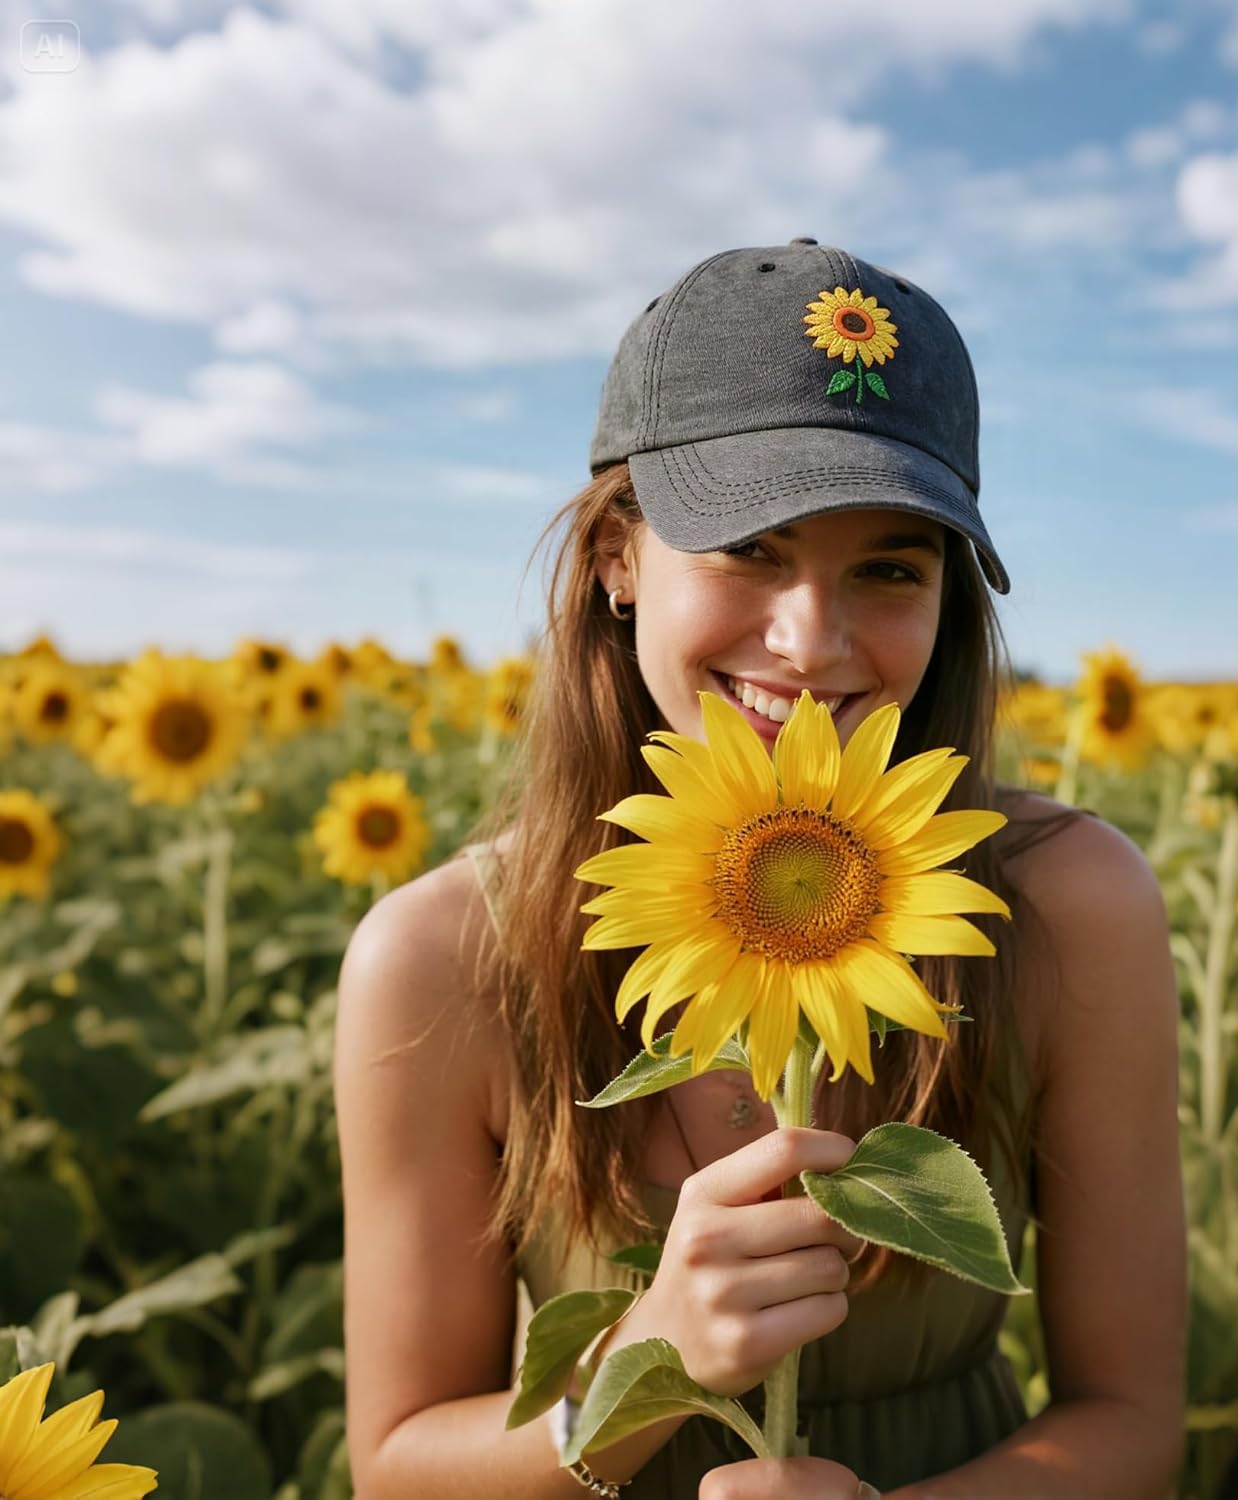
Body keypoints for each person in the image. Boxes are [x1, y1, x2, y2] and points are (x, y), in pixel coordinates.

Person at [334, 239, 1187, 1499]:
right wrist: (650, 1358)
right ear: (620, 558)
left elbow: (1132, 1424)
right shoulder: (442, 958)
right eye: (750, 547)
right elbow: (397, 1468)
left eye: (890, 567)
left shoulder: (1066, 905)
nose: (812, 640)